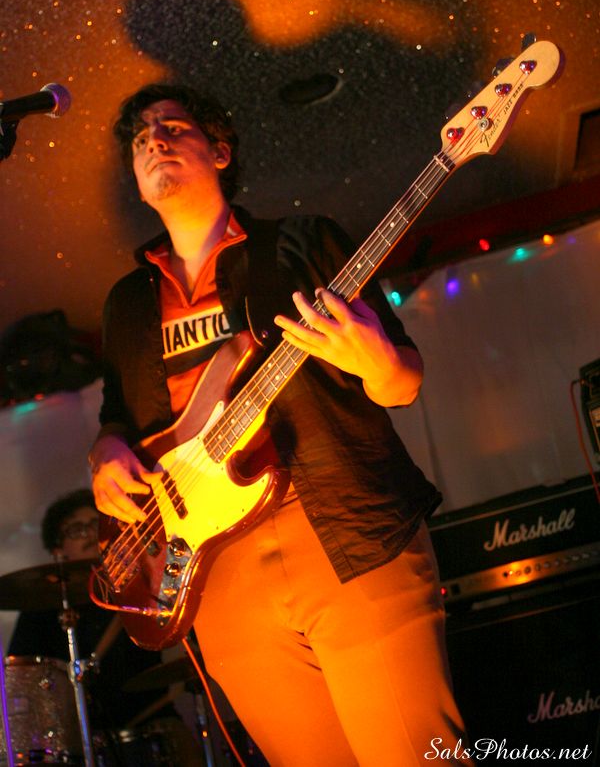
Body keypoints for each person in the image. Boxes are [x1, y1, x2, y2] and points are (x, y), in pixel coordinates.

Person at [89, 83, 472, 766]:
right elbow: (117, 419)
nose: (154, 141)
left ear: (220, 151)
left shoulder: (304, 241)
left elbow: (403, 381)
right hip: (213, 569)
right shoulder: (126, 303)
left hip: (342, 527)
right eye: (141, 138)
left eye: (172, 127)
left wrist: (378, 361)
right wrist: (105, 453)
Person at [9, 488, 201, 766]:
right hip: (83, 743)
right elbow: (22, 681)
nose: (90, 534)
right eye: (77, 530)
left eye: (94, 526)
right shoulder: (38, 609)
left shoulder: (140, 586)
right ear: (57, 549)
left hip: (156, 728)